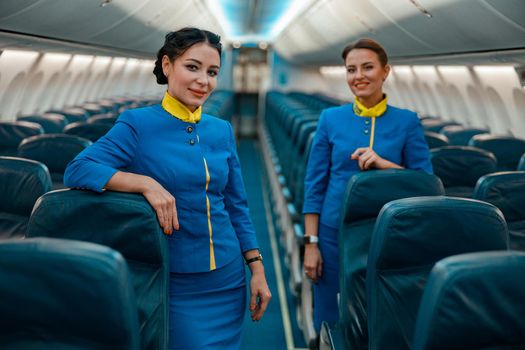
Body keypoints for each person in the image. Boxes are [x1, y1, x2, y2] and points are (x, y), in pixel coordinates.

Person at [64, 27, 271, 349]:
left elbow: (236, 205)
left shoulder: (221, 130)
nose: (204, 80)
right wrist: (143, 183)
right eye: (193, 67)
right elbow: (78, 169)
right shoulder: (137, 124)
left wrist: (256, 267)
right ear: (166, 65)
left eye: (212, 72)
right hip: (174, 278)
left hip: (228, 276)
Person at [302, 38, 432, 332]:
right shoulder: (330, 119)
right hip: (335, 233)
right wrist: (311, 244)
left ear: (385, 71)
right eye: (351, 70)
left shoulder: (407, 121)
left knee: (382, 316)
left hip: (389, 235)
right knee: (330, 312)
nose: (358, 76)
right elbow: (314, 186)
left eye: (367, 67)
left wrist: (384, 164)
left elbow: (426, 184)